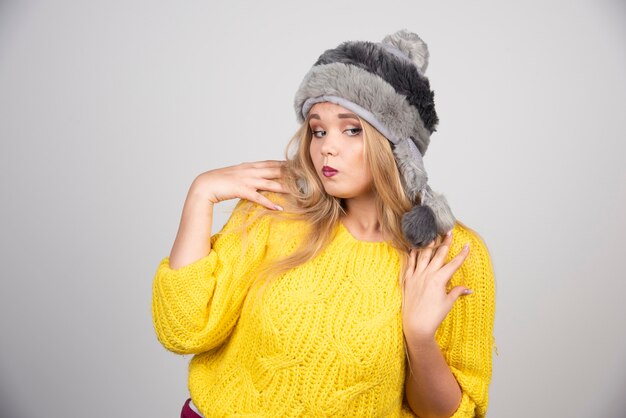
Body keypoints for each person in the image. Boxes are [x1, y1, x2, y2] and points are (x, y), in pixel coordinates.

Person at [152, 29, 496, 418]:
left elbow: (447, 414)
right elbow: (184, 330)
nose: (326, 146)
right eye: (318, 130)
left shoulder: (448, 254)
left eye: (351, 129)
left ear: (400, 148)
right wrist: (201, 194)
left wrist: (419, 337)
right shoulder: (274, 212)